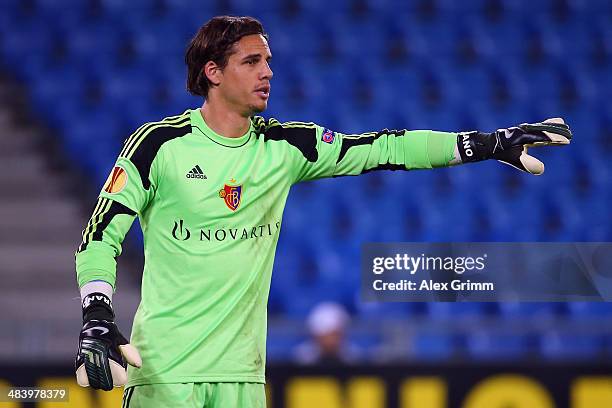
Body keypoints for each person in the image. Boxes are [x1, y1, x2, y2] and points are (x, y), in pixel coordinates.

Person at [73, 15, 572, 408]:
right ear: (213, 72)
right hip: (165, 373)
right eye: (251, 62)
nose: (267, 72)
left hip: (244, 378)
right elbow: (102, 232)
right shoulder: (160, 145)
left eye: (268, 61)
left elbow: (384, 148)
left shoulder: (286, 146)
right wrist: (97, 311)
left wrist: (486, 143)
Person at [294, 302, 361, 364]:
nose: (332, 340)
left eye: (336, 335)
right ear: (316, 336)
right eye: (328, 335)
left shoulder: (354, 359)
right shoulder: (301, 359)